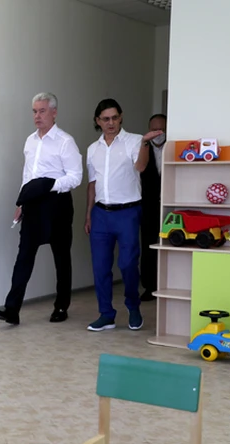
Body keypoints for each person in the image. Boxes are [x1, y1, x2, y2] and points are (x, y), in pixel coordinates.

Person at [0, 92, 83, 325]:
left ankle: (61, 306)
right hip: (32, 204)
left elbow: (76, 177)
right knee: (24, 255)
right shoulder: (30, 141)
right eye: (34, 111)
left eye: (42, 111)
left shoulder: (65, 141)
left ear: (54, 112)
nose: (37, 116)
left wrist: (49, 185)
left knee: (61, 257)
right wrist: (21, 202)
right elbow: (27, 175)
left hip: (57, 203)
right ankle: (12, 309)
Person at [84, 99, 163, 332]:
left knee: (128, 264)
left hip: (128, 212)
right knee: (100, 267)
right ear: (98, 121)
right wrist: (88, 214)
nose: (111, 123)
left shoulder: (135, 140)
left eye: (115, 117)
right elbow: (92, 183)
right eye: (106, 119)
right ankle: (106, 314)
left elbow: (141, 166)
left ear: (121, 117)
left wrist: (145, 143)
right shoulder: (92, 149)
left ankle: (133, 307)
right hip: (100, 213)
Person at [140, 114, 167, 301]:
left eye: (161, 129)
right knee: (148, 245)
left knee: (170, 244)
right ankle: (149, 286)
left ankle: (168, 284)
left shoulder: (173, 148)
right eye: (154, 130)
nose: (158, 133)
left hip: (170, 205)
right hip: (147, 205)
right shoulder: (142, 149)